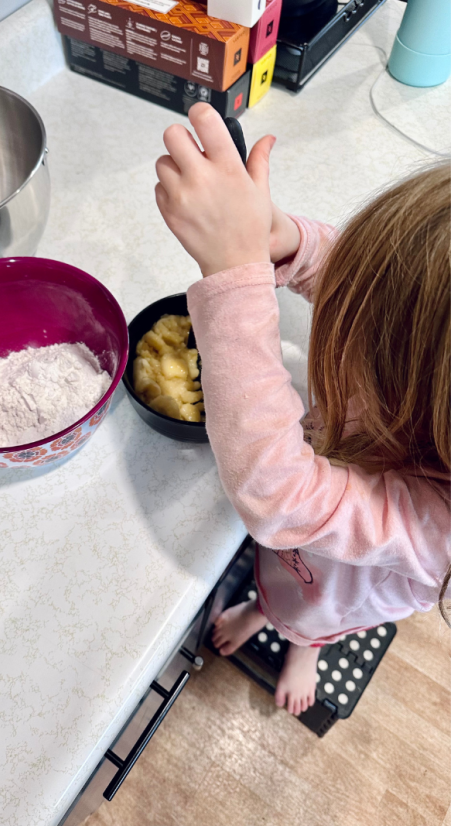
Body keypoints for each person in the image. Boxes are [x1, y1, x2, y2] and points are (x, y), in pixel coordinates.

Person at [155, 102, 451, 716]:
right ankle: (268, 607)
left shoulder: (438, 528)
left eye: (369, 332)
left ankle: (299, 646)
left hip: (342, 588)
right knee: (279, 576)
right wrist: (282, 239)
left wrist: (234, 281)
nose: (347, 318)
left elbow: (279, 495)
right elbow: (370, 280)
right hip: (293, 546)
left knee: (306, 610)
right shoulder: (412, 342)